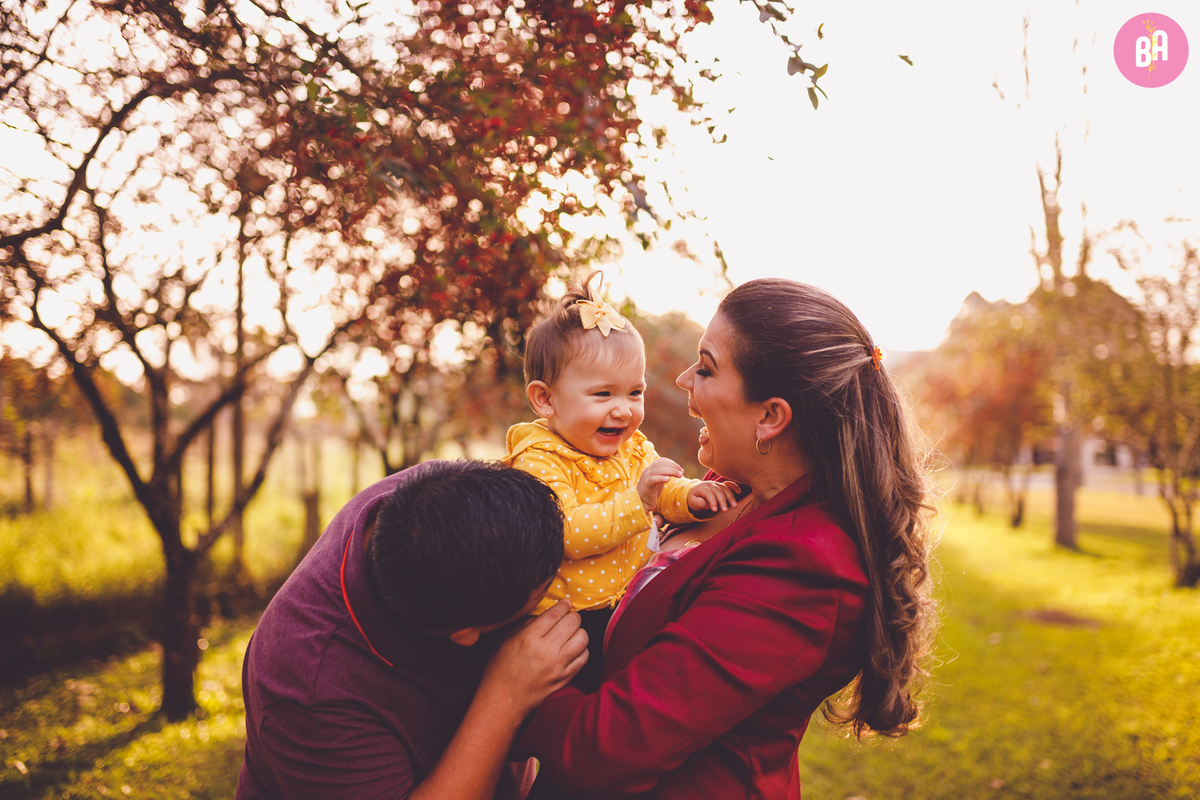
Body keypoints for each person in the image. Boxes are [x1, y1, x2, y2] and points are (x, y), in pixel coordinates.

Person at [514, 278, 938, 799]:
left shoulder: (805, 564)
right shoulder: (725, 493)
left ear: (770, 417)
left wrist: (513, 684)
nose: (683, 380)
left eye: (708, 367)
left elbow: (606, 748)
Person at [236, 459, 589, 800]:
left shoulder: (440, 496)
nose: (563, 588)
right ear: (465, 635)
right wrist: (507, 694)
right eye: (546, 591)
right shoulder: (309, 690)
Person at [503, 272, 740, 692]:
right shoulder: (540, 459)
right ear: (545, 399)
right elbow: (566, 533)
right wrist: (640, 499)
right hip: (562, 622)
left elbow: (662, 495)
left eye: (634, 393)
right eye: (602, 395)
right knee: (563, 714)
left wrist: (691, 497)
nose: (623, 410)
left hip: (620, 607)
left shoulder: (632, 449)